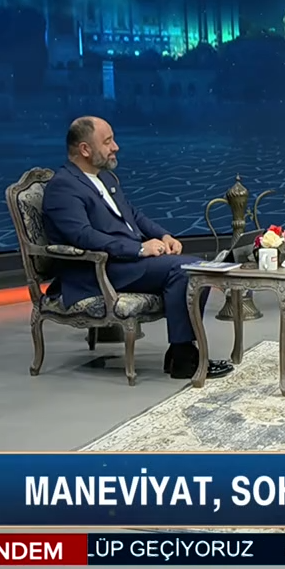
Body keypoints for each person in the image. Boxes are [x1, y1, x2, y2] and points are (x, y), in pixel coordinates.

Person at [41, 116, 234, 381]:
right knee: (186, 270)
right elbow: (82, 236)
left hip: (125, 263)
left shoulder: (105, 178)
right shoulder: (63, 186)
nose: (116, 147)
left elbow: (133, 215)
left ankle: (180, 354)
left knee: (193, 268)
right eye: (108, 141)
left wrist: (163, 235)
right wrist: (139, 250)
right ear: (85, 149)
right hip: (98, 271)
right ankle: (184, 359)